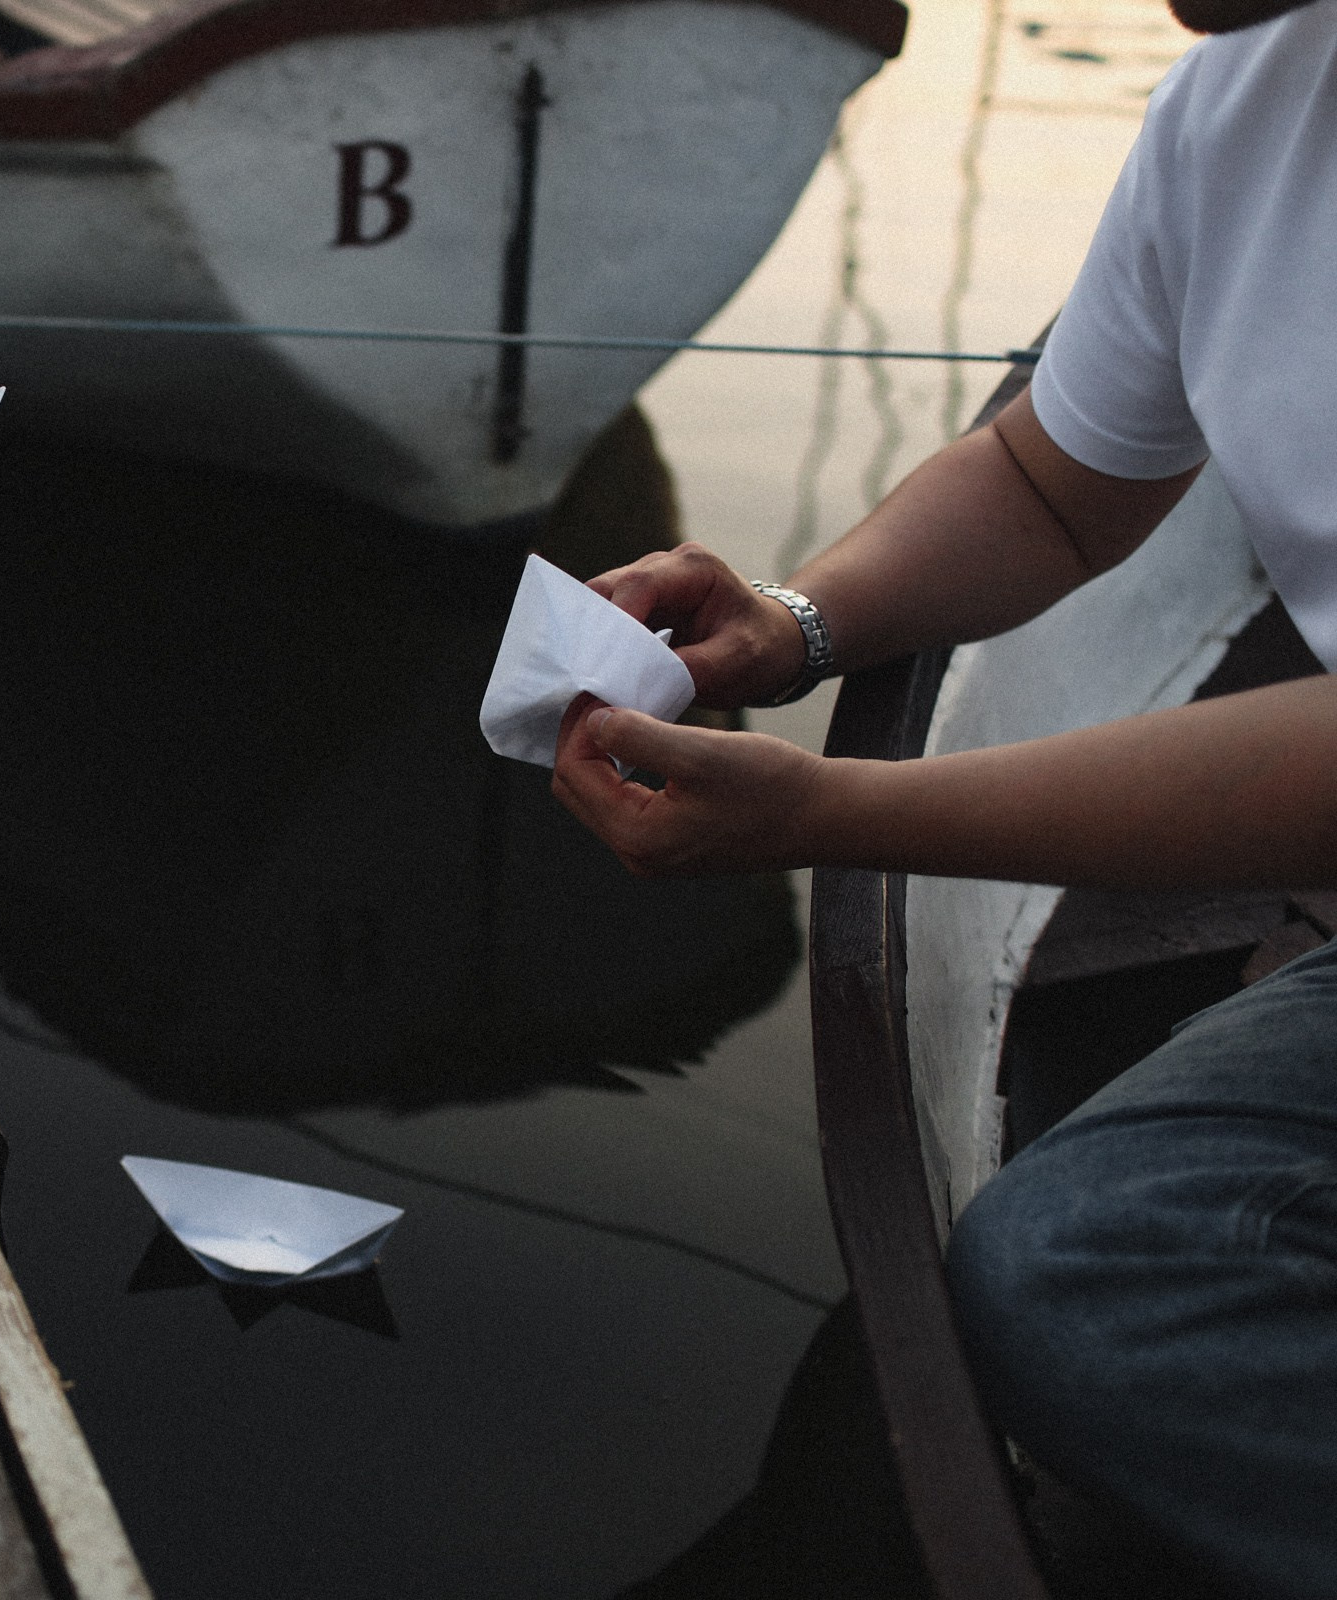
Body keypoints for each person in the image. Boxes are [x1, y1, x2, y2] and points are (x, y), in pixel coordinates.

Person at [551, 1, 1337, 1594]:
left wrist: (821, 817)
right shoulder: (1236, 105)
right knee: (1086, 1271)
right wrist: (796, 625)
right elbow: (1055, 485)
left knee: (1090, 1280)